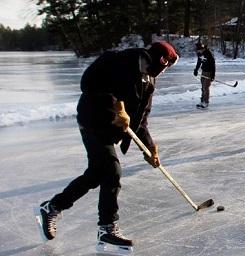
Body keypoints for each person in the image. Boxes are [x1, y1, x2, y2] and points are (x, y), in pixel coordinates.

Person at [36, 41, 179, 253]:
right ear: (162, 60)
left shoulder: (149, 81)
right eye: (166, 65)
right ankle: (107, 228)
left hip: (109, 130)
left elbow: (140, 120)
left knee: (96, 174)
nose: (165, 70)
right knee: (112, 171)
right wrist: (115, 104)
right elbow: (89, 83)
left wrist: (150, 149)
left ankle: (52, 207)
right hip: (93, 120)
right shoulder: (123, 59)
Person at [193, 42, 216, 109]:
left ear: (202, 48)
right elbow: (199, 62)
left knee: (206, 87)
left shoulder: (208, 54)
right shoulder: (199, 54)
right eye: (198, 50)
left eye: (199, 50)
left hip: (209, 72)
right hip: (203, 72)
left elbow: (213, 65)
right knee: (203, 87)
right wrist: (196, 70)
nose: (198, 51)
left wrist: (213, 75)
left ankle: (206, 102)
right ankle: (202, 101)